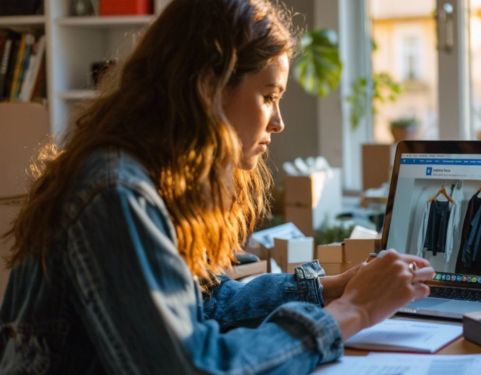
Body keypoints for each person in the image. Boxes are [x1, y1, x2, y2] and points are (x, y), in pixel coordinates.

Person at [0, 0, 434, 373]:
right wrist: (351, 312)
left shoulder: (150, 180)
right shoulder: (114, 193)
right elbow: (192, 365)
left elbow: (209, 308)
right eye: (268, 96)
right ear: (208, 89)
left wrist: (329, 289)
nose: (278, 122)